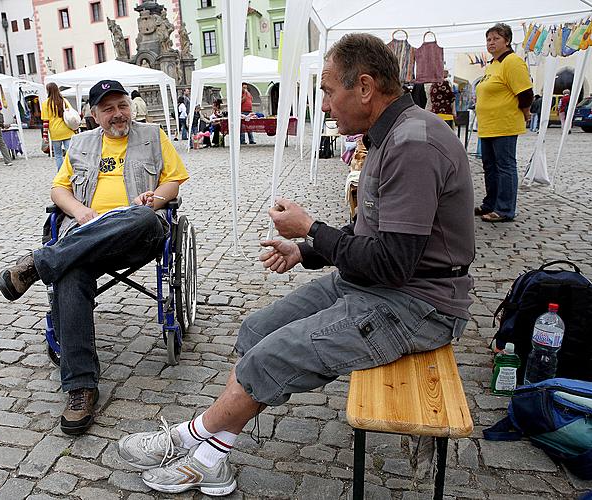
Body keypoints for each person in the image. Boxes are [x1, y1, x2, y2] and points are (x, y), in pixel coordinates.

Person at [114, 33, 475, 496]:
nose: (323, 104)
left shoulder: (412, 144)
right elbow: (374, 242)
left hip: (420, 306)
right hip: (380, 286)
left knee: (272, 354)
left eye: (327, 90)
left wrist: (311, 230)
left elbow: (392, 264)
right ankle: (212, 458)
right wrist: (306, 251)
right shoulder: (391, 135)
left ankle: (192, 439)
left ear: (364, 88)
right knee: (257, 331)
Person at [0, 80, 189, 436]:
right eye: (108, 109)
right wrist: (80, 212)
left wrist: (155, 200)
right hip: (85, 235)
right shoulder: (80, 143)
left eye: (122, 106)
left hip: (138, 231)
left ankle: (38, 264)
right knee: (71, 273)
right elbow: (59, 189)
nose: (118, 114)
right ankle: (80, 387)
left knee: (141, 216)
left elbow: (174, 180)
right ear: (94, 114)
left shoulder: (152, 135)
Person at [474, 23, 533, 223]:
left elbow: (525, 93)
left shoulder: (512, 62)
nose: (491, 43)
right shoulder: (493, 64)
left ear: (507, 40)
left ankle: (505, 208)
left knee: (505, 166)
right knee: (490, 166)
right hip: (488, 125)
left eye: (495, 38)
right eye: (488, 39)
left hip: (504, 124)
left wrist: (526, 113)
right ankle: (490, 203)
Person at [41, 82, 76, 170]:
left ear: (48, 91)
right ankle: (71, 170)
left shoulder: (46, 104)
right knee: (69, 153)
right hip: (67, 130)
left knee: (58, 155)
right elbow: (71, 114)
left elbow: (45, 122)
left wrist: (45, 136)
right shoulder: (63, 101)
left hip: (55, 133)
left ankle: (61, 173)